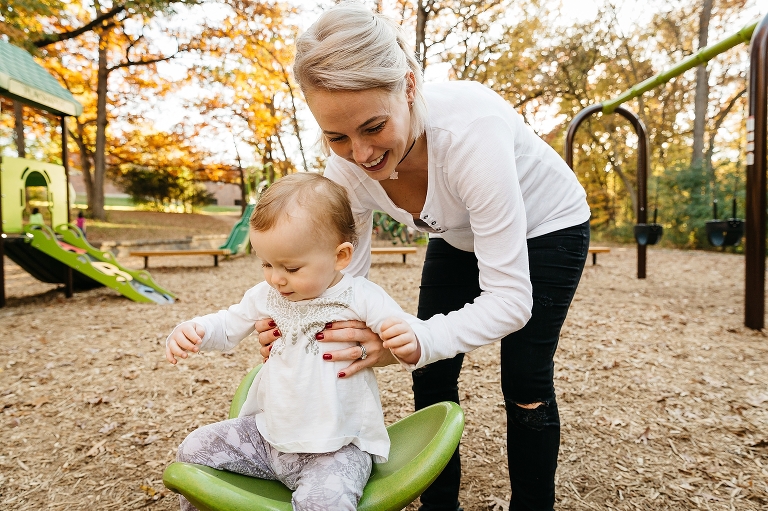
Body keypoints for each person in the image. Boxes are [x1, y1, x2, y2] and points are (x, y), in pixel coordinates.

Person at [253, 3, 591, 511]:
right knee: (431, 374)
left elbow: (510, 301)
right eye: (337, 136)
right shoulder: (344, 174)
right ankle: (439, 505)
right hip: (455, 234)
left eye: (373, 127)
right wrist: (297, 323)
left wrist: (412, 340)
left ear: (409, 87)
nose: (361, 154)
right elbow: (340, 283)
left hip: (547, 227)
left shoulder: (471, 134)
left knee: (523, 375)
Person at [165, 173, 424, 511]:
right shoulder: (267, 295)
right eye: (266, 264)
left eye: (291, 267)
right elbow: (228, 324)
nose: (276, 277)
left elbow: (409, 331)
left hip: (337, 448)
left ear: (341, 256)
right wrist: (195, 329)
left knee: (324, 503)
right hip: (266, 437)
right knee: (194, 449)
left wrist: (407, 339)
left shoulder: (359, 296)